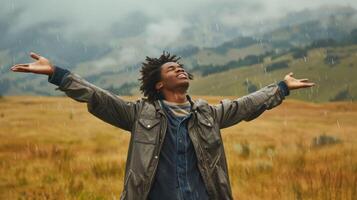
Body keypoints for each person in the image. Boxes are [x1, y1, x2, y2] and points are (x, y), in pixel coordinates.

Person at [10, 51, 315, 200]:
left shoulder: (207, 113)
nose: (180, 68)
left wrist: (282, 87)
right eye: (172, 68)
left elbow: (245, 105)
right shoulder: (140, 115)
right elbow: (97, 97)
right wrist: (57, 73)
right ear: (159, 84)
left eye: (181, 67)